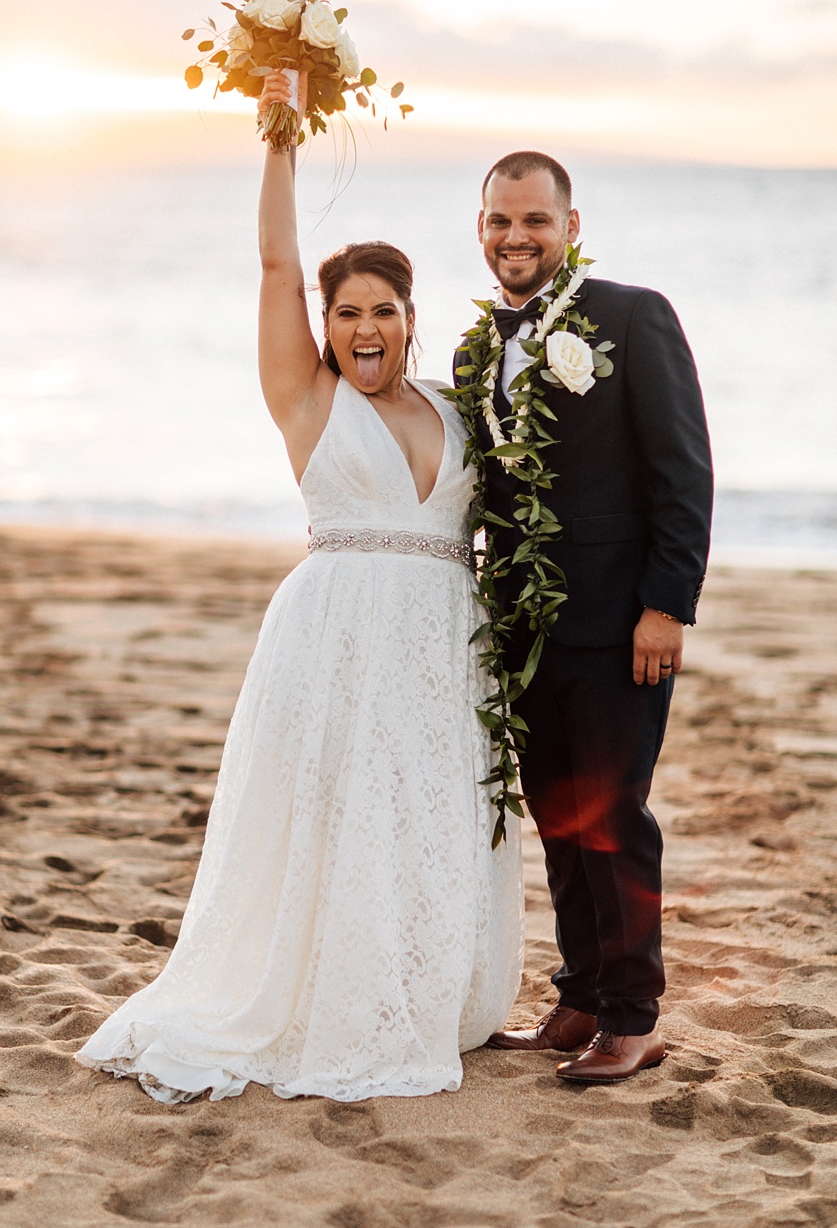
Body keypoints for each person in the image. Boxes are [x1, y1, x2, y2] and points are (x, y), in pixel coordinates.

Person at [76, 71, 522, 1103]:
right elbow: (276, 259)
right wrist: (278, 126)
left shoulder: (458, 407)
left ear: (411, 316)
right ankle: (323, 993)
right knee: (333, 812)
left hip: (442, 638)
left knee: (424, 811)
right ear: (323, 324)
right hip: (334, 628)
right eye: (345, 312)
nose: (363, 327)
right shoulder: (304, 397)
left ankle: (422, 987)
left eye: (382, 310)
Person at [467, 151, 710, 1084]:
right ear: (480, 228)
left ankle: (633, 1015)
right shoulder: (476, 348)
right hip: (525, 626)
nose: (516, 237)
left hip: (621, 623)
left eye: (534, 221)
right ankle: (577, 994)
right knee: (558, 814)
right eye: (499, 221)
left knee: (615, 813)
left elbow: (682, 471)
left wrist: (666, 606)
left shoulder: (632, 315)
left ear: (570, 226)